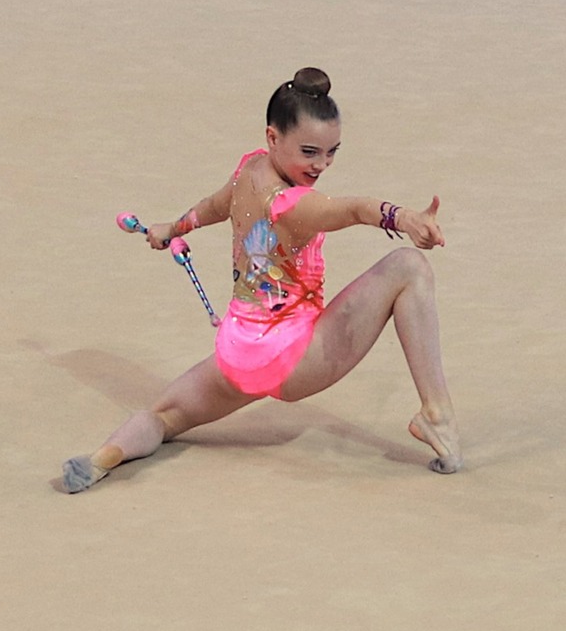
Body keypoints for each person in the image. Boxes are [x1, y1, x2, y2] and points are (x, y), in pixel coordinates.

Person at [62, 67, 462, 493]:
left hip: (238, 356)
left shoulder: (249, 169)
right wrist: (404, 218)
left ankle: (103, 457)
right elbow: (354, 209)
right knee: (409, 267)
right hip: (294, 359)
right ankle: (435, 413)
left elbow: (214, 206)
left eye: (331, 152)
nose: (321, 165)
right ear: (273, 137)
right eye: (309, 152)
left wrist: (173, 228)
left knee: (162, 416)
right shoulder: (292, 205)